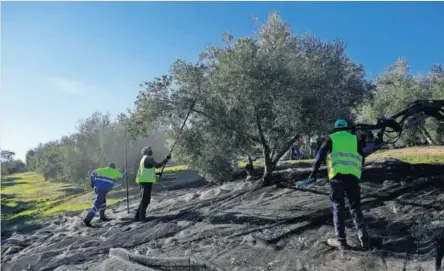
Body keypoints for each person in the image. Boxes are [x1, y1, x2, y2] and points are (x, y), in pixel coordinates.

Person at [297, 119, 370, 250]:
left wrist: (313, 174)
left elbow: (319, 157)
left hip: (336, 179)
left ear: (335, 129)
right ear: (347, 128)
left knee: (338, 207)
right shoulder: (354, 139)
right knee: (355, 207)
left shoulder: (330, 139)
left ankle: (341, 241)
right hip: (353, 178)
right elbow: (362, 156)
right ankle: (364, 236)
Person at [134, 146, 171, 221]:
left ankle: (137, 216)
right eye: (149, 149)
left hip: (142, 180)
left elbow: (147, 170)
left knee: (143, 199)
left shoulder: (143, 159)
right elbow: (157, 165)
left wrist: (157, 173)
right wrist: (166, 159)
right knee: (146, 199)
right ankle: (141, 217)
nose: (151, 150)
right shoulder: (148, 158)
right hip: (146, 181)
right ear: (146, 151)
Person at [83, 162, 125, 227]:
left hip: (97, 188)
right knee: (97, 204)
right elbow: (122, 176)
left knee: (103, 202)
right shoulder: (114, 171)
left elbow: (92, 174)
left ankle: (102, 217)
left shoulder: (101, 170)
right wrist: (125, 173)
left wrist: (93, 183)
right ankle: (87, 219)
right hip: (103, 190)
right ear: (114, 168)